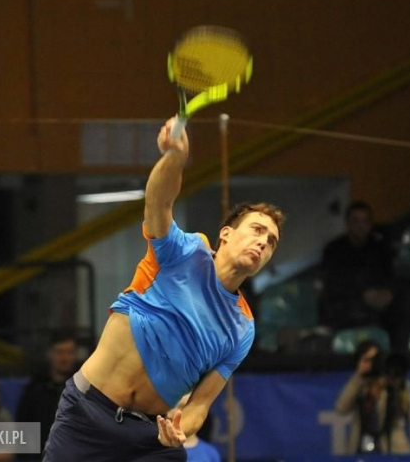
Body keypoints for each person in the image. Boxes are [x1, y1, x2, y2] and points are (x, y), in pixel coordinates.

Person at [44, 117, 284, 461]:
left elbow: (200, 404)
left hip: (147, 437)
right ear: (226, 234)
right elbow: (159, 203)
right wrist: (174, 159)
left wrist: (180, 430)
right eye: (257, 230)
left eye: (272, 242)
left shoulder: (242, 328)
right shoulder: (185, 252)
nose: (263, 242)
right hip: (87, 415)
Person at [319, 201, 395, 333]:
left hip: (379, 304)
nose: (361, 226)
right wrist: (362, 294)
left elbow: (389, 276)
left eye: (365, 221)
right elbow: (332, 283)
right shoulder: (334, 249)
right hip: (346, 305)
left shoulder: (379, 248)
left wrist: (386, 293)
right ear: (347, 223)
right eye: (356, 221)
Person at [334, 341, 410, 455]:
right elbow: (341, 409)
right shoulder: (358, 383)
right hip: (362, 449)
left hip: (393, 450)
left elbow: (406, 411)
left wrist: (396, 385)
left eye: (375, 360)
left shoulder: (394, 381)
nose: (372, 364)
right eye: (367, 360)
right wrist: (358, 377)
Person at [15, 332, 79, 461]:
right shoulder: (35, 390)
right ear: (50, 354)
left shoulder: (84, 390)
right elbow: (23, 431)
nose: (64, 357)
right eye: (59, 352)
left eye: (69, 352)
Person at [167, 393, 221, 462]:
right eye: (176, 407)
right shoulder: (159, 450)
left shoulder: (210, 453)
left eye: (183, 407)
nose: (170, 414)